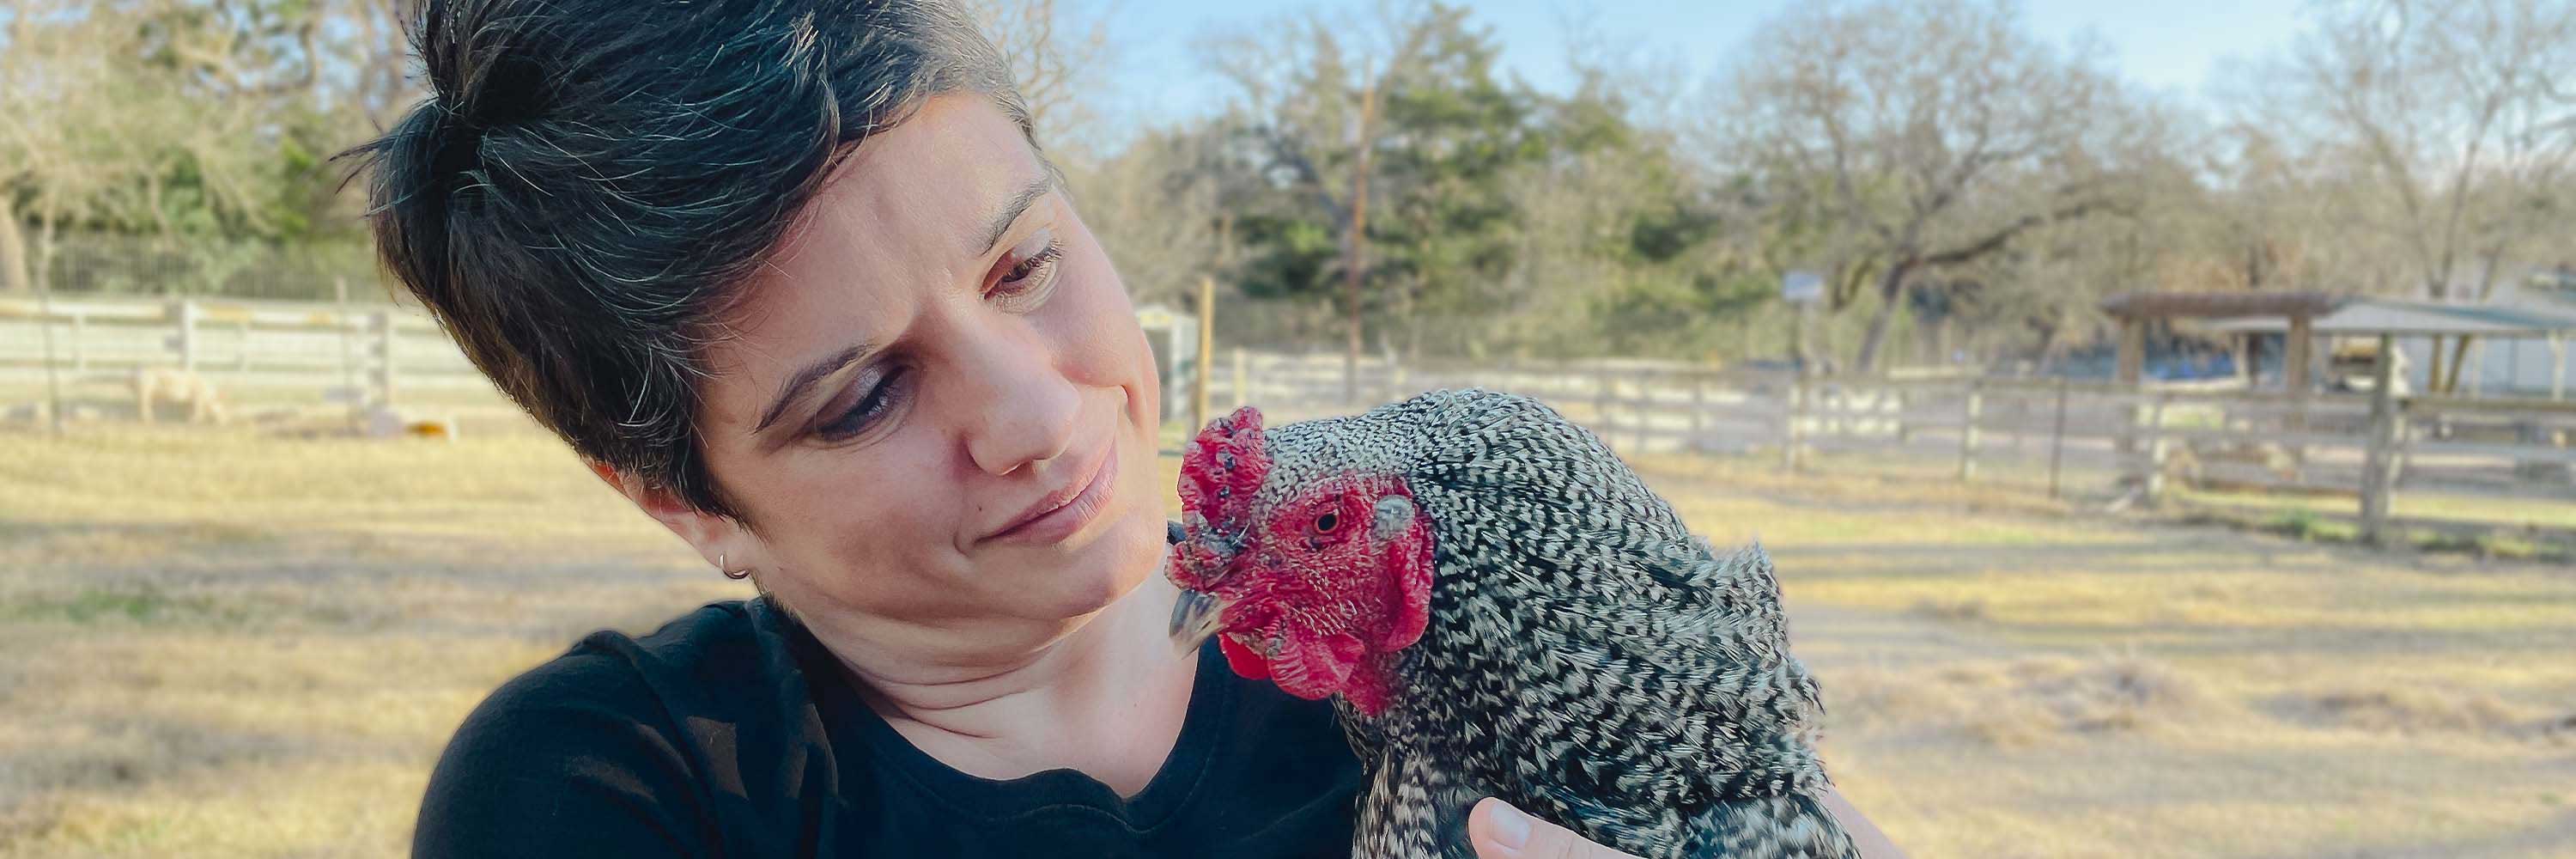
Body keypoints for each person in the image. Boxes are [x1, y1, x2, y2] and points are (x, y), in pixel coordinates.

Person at [349, 1, 1906, 856]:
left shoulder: (1471, 670)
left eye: (1023, 265)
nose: (1037, 412)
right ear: (685, 503)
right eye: (864, 395)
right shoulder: (616, 792)